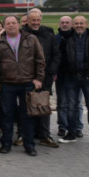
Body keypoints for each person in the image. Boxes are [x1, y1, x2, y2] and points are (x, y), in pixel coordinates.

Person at [0, 15, 46, 156]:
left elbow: (40, 59)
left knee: (27, 116)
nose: (11, 25)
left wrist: (39, 78)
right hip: (7, 84)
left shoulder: (31, 39)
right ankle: (6, 144)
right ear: (4, 26)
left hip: (27, 82)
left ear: (19, 25)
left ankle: (29, 145)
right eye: (8, 23)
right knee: (7, 115)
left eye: (14, 23)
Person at [58, 16, 89, 147]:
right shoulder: (67, 39)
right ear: (73, 25)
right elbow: (61, 58)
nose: (79, 25)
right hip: (72, 78)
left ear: (86, 24)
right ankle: (71, 133)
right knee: (71, 107)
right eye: (76, 24)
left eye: (81, 23)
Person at [23, 10, 61, 148]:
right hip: (27, 77)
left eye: (38, 20)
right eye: (33, 20)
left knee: (43, 107)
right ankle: (27, 133)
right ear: (27, 21)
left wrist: (51, 71)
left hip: (45, 77)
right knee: (27, 107)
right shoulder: (22, 35)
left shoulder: (48, 34)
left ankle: (45, 134)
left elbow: (56, 55)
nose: (36, 23)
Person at [55, 16, 83, 138]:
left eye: (67, 22)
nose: (65, 24)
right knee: (62, 102)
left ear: (71, 24)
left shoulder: (78, 38)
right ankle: (62, 126)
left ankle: (77, 126)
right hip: (61, 75)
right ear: (59, 24)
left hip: (76, 75)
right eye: (62, 23)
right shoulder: (55, 38)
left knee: (77, 102)